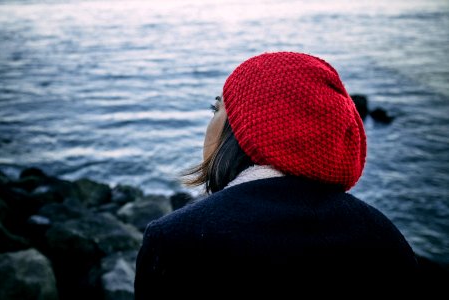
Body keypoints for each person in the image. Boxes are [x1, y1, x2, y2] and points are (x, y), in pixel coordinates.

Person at [134, 51, 420, 297]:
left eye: (216, 109)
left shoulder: (176, 240)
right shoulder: (383, 237)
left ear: (245, 129)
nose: (209, 125)